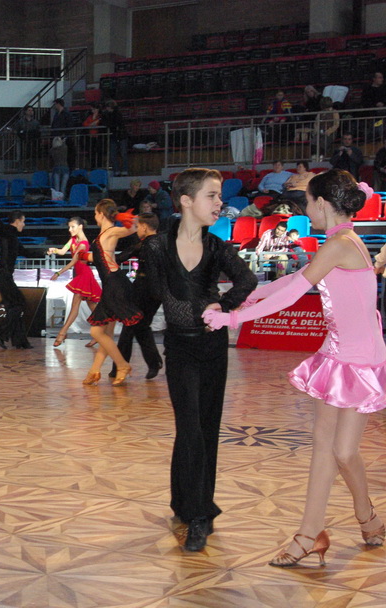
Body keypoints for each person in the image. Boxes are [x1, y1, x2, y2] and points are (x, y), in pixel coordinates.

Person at [204, 171, 386, 567]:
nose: (304, 211)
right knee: (324, 448)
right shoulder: (339, 241)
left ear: (320, 204)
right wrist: (247, 295)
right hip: (337, 353)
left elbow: (293, 292)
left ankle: (368, 516)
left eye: (306, 203)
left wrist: (234, 318)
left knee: (343, 451)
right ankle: (310, 533)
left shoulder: (340, 244)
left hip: (361, 359)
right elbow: (293, 279)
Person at [140, 168, 257, 552]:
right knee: (189, 426)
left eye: (219, 195)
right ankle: (198, 513)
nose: (220, 202)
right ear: (186, 201)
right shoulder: (157, 247)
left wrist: (223, 305)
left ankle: (189, 504)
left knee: (205, 427)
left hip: (213, 348)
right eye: (212, 195)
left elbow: (247, 281)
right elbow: (154, 293)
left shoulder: (218, 246)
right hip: (180, 348)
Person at [81, 199, 140, 386]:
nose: (95, 217)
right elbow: (101, 257)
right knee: (105, 332)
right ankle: (94, 370)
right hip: (112, 284)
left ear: (101, 213)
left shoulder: (112, 231)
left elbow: (134, 227)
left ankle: (122, 365)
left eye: (96, 213)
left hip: (115, 285)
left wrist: (122, 217)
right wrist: (83, 255)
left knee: (96, 331)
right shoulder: (103, 235)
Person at [109, 212, 163, 380]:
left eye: (138, 226)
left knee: (131, 327)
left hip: (145, 292)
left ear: (145, 227)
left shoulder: (145, 244)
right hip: (152, 292)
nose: (137, 229)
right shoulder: (162, 243)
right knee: (140, 327)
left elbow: (121, 257)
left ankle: (120, 367)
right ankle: (153, 362)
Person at [0, 202, 33, 349]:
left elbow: (26, 252)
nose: (24, 224)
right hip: (3, 274)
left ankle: (20, 341)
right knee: (19, 303)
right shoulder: (7, 231)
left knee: (13, 307)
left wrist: (48, 252)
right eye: (23, 221)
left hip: (4, 275)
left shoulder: (14, 238)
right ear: (17, 221)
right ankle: (0, 334)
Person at [48, 217, 101, 347]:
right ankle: (100, 333)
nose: (70, 229)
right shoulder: (73, 239)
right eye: (69, 227)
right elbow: (62, 251)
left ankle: (62, 332)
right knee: (92, 306)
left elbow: (73, 262)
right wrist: (54, 250)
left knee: (75, 305)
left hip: (84, 275)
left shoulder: (83, 243)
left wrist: (59, 273)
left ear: (80, 227)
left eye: (73, 227)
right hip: (80, 275)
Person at [102, 100, 129, 176]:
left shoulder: (117, 114)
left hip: (120, 135)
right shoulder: (107, 114)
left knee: (122, 153)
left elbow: (115, 123)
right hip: (114, 136)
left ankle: (123, 170)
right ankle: (117, 170)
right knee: (114, 154)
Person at [50, 98, 76, 169]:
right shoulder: (56, 114)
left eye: (55, 104)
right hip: (57, 137)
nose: (55, 106)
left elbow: (70, 125)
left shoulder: (67, 114)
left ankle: (69, 168)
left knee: (67, 154)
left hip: (64, 137)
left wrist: (65, 135)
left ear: (58, 104)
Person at [312, 97, 339, 162]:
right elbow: (316, 123)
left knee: (323, 142)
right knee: (314, 141)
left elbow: (336, 124)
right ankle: (314, 158)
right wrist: (317, 131)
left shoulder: (334, 112)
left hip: (330, 132)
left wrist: (329, 131)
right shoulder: (320, 113)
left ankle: (321, 158)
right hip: (320, 131)